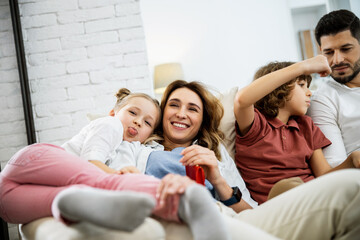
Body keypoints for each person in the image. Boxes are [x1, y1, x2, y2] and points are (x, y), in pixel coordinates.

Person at [138, 79, 360, 239]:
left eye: (192, 109)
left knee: (352, 189)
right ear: (162, 112)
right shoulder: (140, 148)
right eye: (174, 105)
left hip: (227, 220)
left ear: (202, 120)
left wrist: (217, 180)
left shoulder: (215, 153)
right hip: (175, 222)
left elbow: (250, 212)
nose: (181, 114)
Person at [0, 88, 231, 240]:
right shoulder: (110, 125)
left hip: (8, 195)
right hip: (36, 158)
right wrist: (121, 175)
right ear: (113, 112)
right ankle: (185, 201)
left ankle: (79, 206)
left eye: (147, 123)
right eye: (132, 112)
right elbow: (91, 162)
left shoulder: (132, 146)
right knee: (102, 181)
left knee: (63, 201)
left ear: (151, 134)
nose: (138, 122)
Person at [233, 56, 360, 204]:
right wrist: (302, 67)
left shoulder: (306, 126)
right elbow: (242, 100)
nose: (309, 93)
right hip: (280, 205)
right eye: (301, 85)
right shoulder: (256, 125)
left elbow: (325, 175)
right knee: (287, 186)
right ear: (277, 88)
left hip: (314, 196)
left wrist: (352, 160)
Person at [307, 9, 360, 168]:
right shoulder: (322, 100)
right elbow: (335, 168)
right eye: (329, 52)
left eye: (346, 49)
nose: (337, 60)